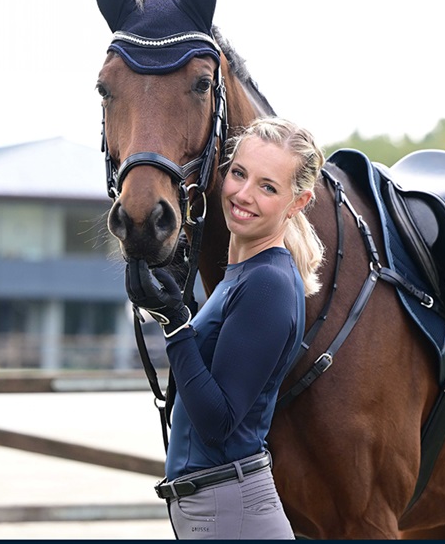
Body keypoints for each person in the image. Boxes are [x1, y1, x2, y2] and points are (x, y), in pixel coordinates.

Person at [125, 117, 325, 540]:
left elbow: (218, 422)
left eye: (268, 187)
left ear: (298, 202)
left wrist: (176, 324)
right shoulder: (243, 273)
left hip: (229, 513)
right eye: (239, 173)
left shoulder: (267, 283)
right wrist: (180, 308)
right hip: (216, 510)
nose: (243, 195)